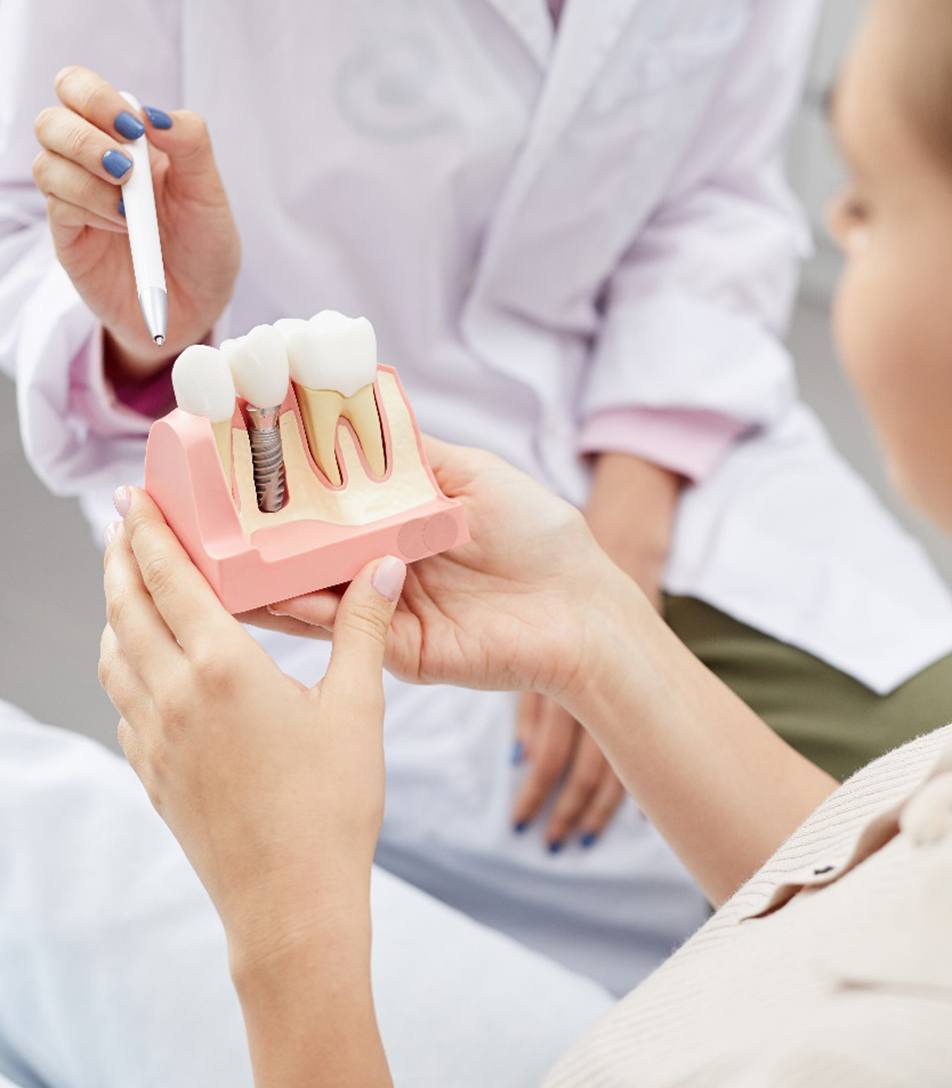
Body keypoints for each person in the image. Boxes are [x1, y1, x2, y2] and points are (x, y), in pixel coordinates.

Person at [5, 0, 952, 995]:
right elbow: (41, 230)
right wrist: (152, 327)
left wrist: (621, 544)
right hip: (316, 501)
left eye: (867, 197)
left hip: (674, 462)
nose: (841, 218)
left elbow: (716, 191)